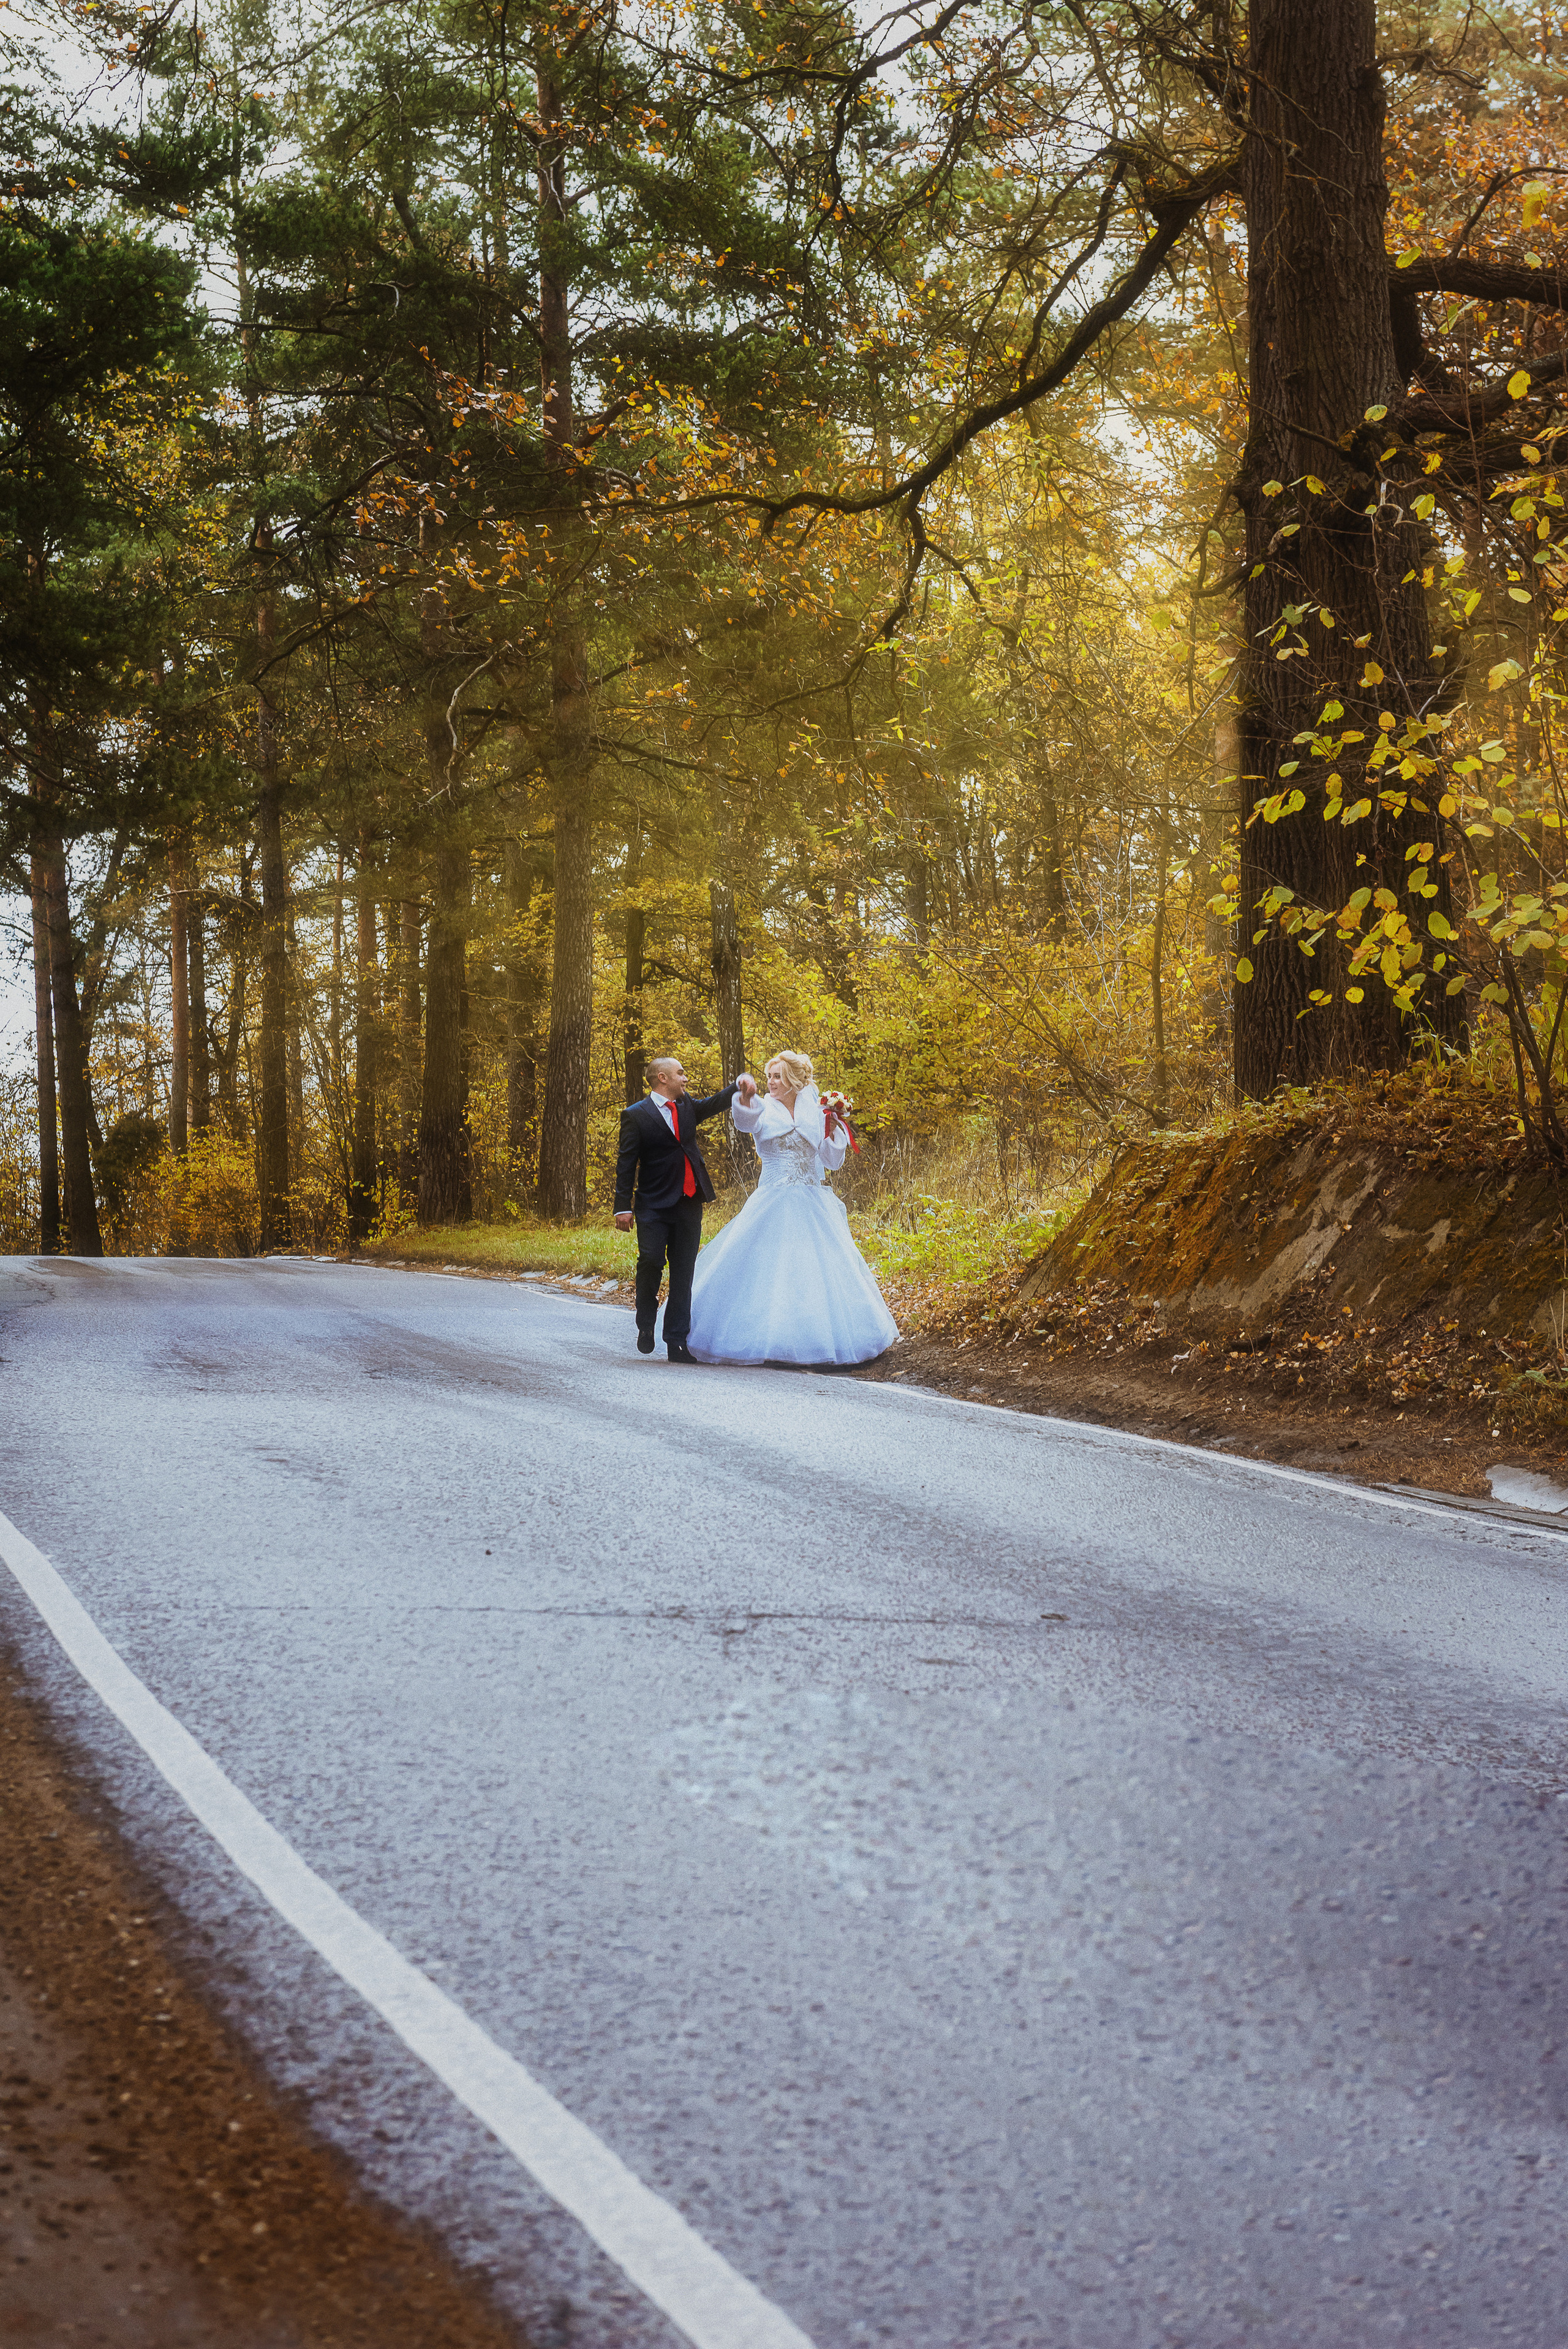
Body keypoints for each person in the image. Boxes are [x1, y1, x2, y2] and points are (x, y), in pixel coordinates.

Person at [685, 1050, 898, 1367]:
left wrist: (833, 1129)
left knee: (812, 1269)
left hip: (813, 1200)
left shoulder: (816, 1112)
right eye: (769, 1076)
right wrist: (745, 1096)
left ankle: (816, 1339)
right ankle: (767, 1340)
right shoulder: (762, 1109)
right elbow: (744, 1122)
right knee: (769, 1268)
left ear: (794, 1080)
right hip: (773, 1198)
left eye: (777, 1076)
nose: (771, 1082)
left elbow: (831, 1161)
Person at [614, 1057, 758, 1361]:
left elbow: (716, 1103)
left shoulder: (687, 1106)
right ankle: (646, 1320)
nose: (686, 1079)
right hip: (653, 1204)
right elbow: (626, 1164)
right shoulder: (635, 1115)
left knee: (684, 1272)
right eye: (681, 1074)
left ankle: (677, 1341)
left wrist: (738, 1083)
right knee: (651, 1261)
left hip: (689, 1202)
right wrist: (621, 1207)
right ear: (663, 1078)